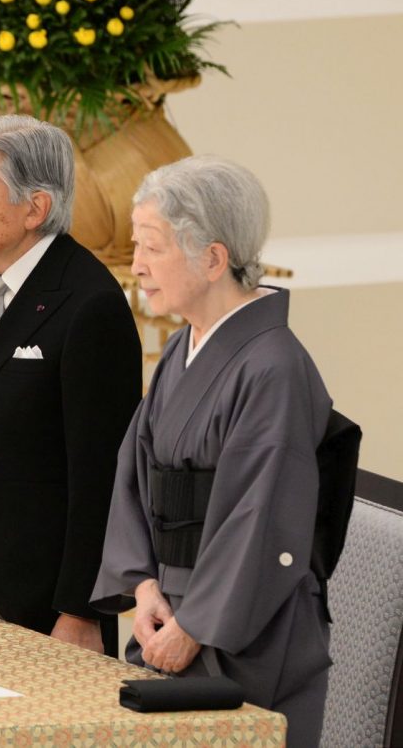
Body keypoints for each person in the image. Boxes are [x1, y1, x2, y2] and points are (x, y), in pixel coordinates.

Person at [91, 155, 332, 745]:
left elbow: (266, 516)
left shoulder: (274, 366)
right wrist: (145, 590)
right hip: (166, 613)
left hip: (245, 630)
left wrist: (195, 626)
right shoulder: (181, 349)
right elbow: (136, 473)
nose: (138, 266)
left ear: (213, 258)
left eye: (152, 248)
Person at [0, 113, 143, 656]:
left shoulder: (90, 306)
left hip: (46, 605)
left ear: (35, 208)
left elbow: (104, 475)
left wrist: (81, 610)